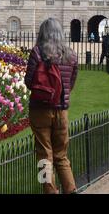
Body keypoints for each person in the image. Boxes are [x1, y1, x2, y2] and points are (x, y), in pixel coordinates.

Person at [25, 18, 78, 194]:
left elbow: (29, 82)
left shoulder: (38, 52)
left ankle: (49, 191)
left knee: (44, 154)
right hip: (61, 110)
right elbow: (70, 84)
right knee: (61, 155)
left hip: (40, 109)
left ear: (42, 33)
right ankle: (71, 190)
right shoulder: (71, 55)